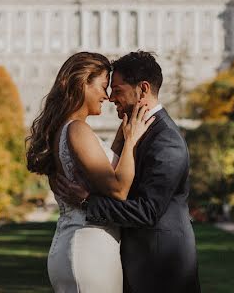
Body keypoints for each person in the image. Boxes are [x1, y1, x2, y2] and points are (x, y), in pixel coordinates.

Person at [53, 51, 201, 293]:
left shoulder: (166, 141)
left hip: (161, 271)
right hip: (133, 266)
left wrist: (87, 201)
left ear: (142, 89)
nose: (111, 98)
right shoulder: (133, 131)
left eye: (118, 90)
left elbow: (147, 211)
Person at [26, 51, 156, 293]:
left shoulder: (64, 129)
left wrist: (123, 131)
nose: (107, 96)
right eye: (103, 86)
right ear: (83, 83)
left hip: (75, 244)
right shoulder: (77, 129)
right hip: (89, 248)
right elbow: (118, 190)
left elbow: (102, 166)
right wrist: (131, 141)